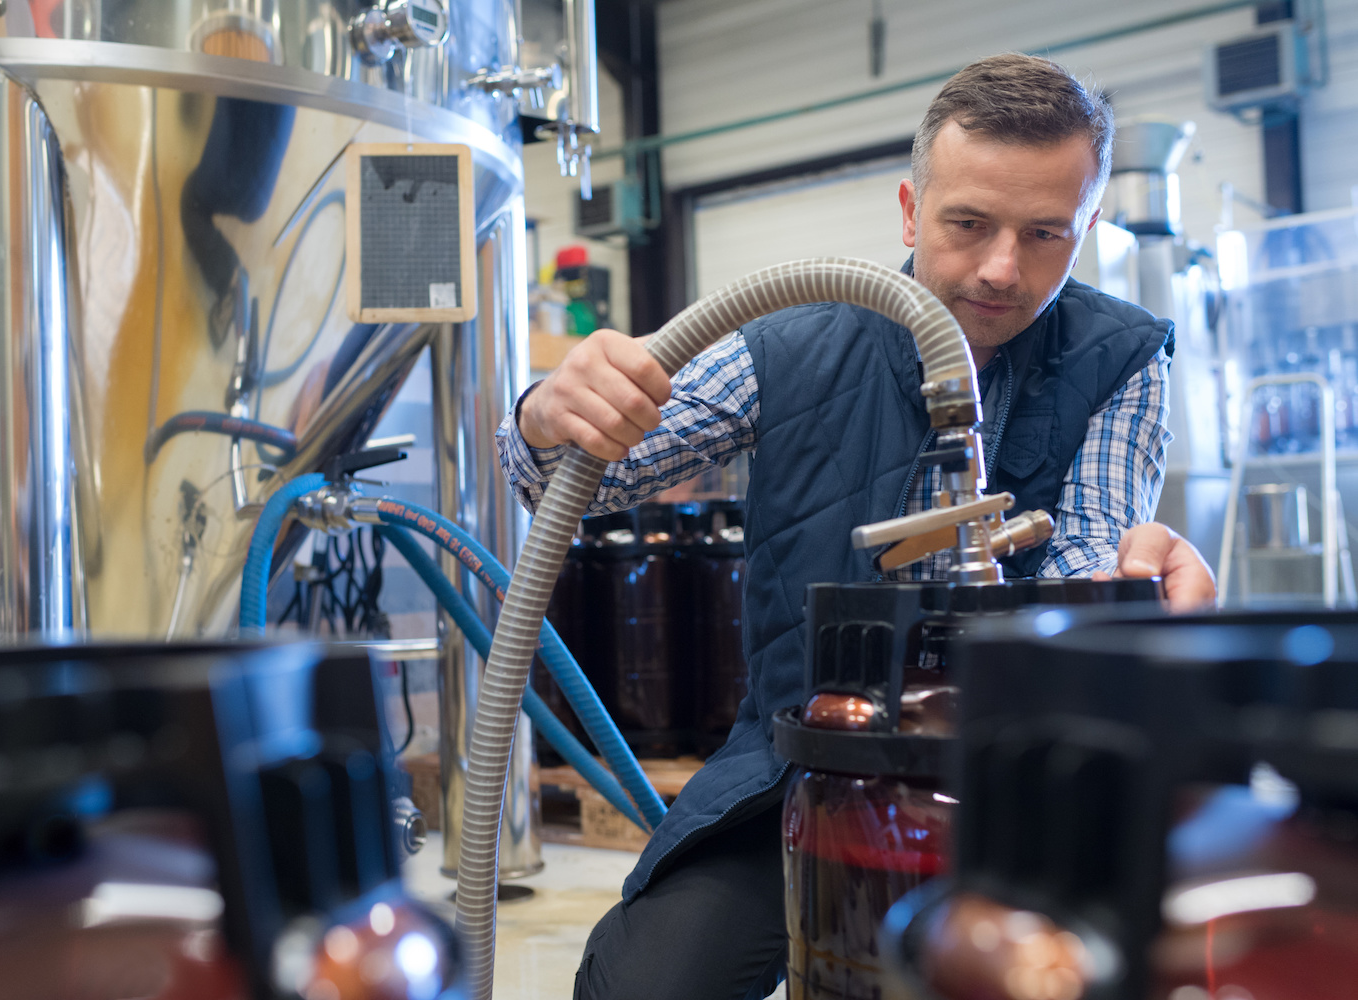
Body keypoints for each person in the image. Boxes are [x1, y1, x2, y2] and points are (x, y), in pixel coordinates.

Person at [495, 54, 1215, 1000]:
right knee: (647, 983)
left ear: (1087, 224)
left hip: (1018, 775)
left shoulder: (1120, 355)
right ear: (912, 212)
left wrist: (1133, 582)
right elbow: (583, 480)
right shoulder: (794, 338)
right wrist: (548, 417)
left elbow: (1087, 548)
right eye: (969, 224)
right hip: (798, 763)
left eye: (1046, 233)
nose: (1003, 268)